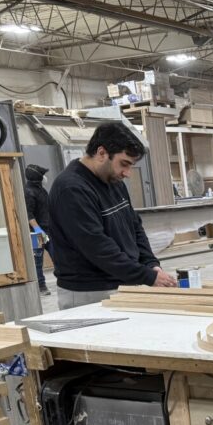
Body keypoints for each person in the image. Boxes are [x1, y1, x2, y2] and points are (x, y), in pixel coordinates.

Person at [48, 122, 177, 310]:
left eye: (131, 166)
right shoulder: (72, 189)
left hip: (121, 283)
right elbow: (98, 247)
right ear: (101, 153)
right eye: (124, 164)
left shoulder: (113, 181)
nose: (127, 173)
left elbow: (135, 227)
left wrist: (150, 264)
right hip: (89, 292)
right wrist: (147, 276)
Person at [23, 163, 51, 295]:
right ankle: (41, 286)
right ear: (38, 177)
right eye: (43, 175)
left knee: (58, 255)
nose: (45, 177)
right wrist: (38, 230)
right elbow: (29, 214)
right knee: (38, 260)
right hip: (37, 232)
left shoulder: (41, 189)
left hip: (48, 229)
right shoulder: (29, 192)